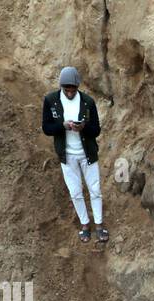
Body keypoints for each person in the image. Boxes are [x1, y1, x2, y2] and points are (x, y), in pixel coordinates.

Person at [42, 66, 107, 243]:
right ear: (62, 87)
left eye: (73, 89)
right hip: (67, 156)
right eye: (67, 89)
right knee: (75, 192)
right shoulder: (51, 101)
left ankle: (99, 224)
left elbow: (97, 130)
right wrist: (62, 126)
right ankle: (85, 224)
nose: (70, 92)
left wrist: (83, 128)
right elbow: (46, 128)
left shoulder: (88, 102)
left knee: (95, 189)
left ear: (77, 87)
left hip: (88, 154)